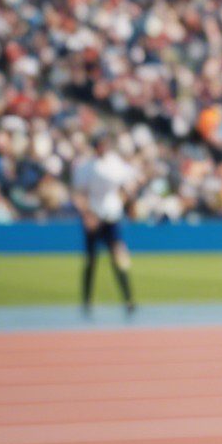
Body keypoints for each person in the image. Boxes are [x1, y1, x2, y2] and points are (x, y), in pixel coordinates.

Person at [70, 135, 138, 317]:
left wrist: (125, 204)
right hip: (93, 216)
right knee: (91, 260)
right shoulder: (85, 167)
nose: (103, 148)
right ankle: (87, 301)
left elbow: (128, 187)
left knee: (118, 258)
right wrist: (87, 215)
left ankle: (129, 299)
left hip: (112, 217)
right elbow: (78, 193)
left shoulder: (116, 164)